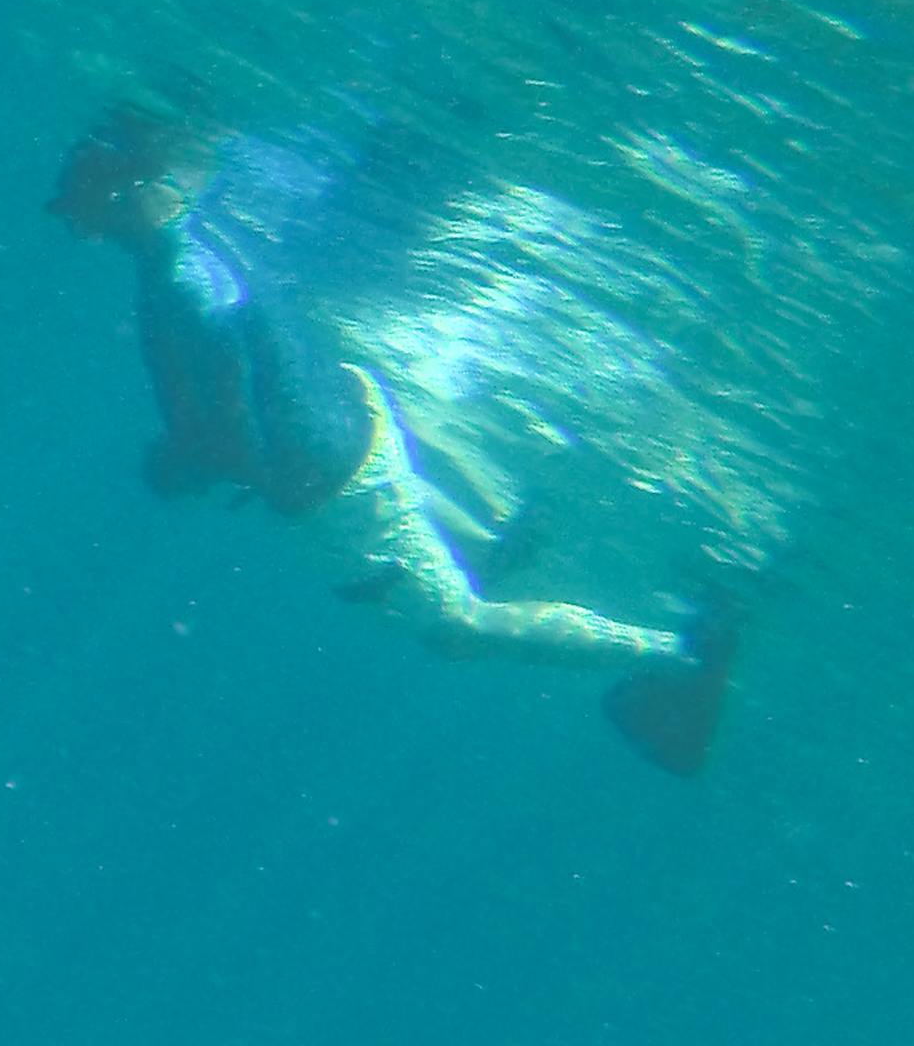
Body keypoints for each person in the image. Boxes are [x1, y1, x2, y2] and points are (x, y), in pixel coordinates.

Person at [49, 102, 743, 774]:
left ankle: (682, 653)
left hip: (330, 474)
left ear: (127, 188)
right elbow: (240, 349)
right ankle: (493, 543)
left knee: (457, 630)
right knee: (409, 529)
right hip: (350, 419)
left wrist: (212, 459)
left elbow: (232, 363)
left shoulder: (175, 277)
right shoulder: (192, 247)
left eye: (81, 196)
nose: (73, 222)